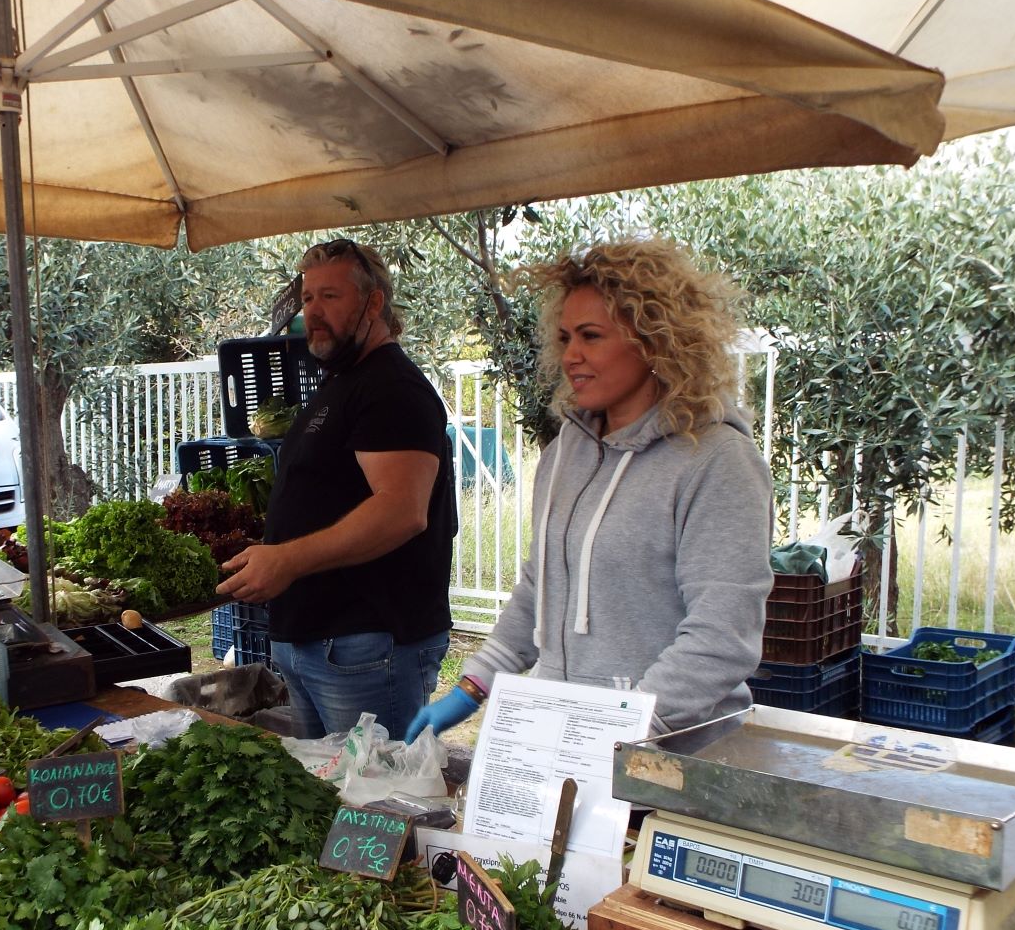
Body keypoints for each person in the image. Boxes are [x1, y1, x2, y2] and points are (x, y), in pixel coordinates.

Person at [407, 238, 771, 742]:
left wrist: (623, 730)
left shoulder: (717, 460)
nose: (571, 356)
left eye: (591, 336)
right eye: (564, 337)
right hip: (565, 738)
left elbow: (722, 635)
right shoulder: (564, 454)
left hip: (670, 756)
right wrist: (473, 686)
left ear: (653, 340)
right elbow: (541, 587)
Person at [219, 238, 456, 739]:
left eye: (330, 296)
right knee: (323, 788)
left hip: (366, 647)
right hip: (316, 643)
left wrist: (287, 560)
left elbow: (402, 510)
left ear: (373, 303)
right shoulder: (342, 382)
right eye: (307, 298)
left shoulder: (392, 388)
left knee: (373, 788)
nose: (312, 311)